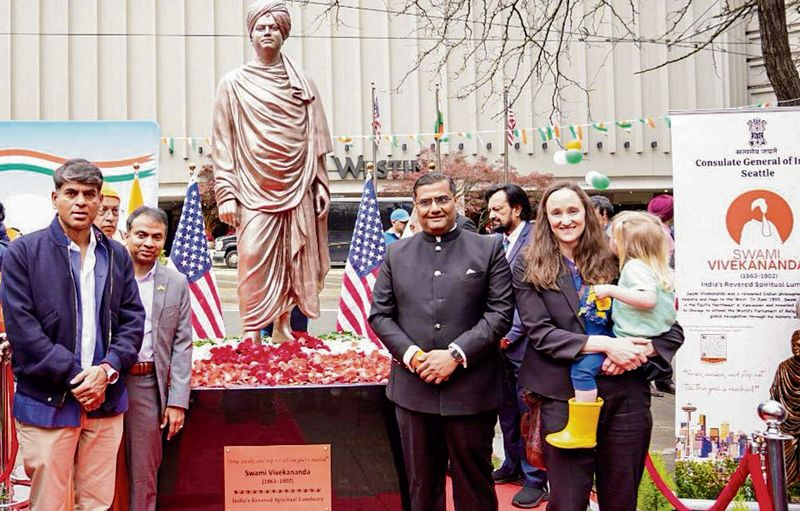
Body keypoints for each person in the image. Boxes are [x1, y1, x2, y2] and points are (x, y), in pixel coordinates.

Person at [514, 181, 683, 511]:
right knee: (568, 501)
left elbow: (670, 329)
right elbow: (540, 333)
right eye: (556, 213)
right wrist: (606, 345)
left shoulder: (618, 257)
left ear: (588, 214)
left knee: (621, 498)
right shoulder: (528, 264)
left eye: (573, 211)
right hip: (563, 398)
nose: (566, 220)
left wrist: (636, 353)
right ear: (545, 219)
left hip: (626, 395)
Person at [0, 158, 144, 510]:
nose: (81, 202)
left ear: (99, 200)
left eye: (90, 194)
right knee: (50, 504)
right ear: (55, 197)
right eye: (72, 193)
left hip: (104, 401)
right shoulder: (24, 253)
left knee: (96, 504)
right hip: (47, 400)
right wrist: (77, 377)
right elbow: (23, 329)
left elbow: (132, 320)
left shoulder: (117, 256)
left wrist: (106, 370)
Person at [369, 173, 514, 511]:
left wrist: (455, 354)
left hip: (471, 390)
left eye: (442, 199)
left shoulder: (488, 248)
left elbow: (500, 312)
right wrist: (414, 355)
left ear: (455, 201)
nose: (434, 208)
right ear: (415, 207)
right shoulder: (396, 254)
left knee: (474, 485)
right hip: (413, 389)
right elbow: (380, 315)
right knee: (421, 486)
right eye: (425, 202)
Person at [212, 0, 333, 342]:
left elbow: (315, 137)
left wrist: (320, 183)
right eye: (260, 28)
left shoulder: (303, 83)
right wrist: (226, 193)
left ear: (283, 34)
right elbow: (223, 143)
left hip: (299, 183)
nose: (267, 33)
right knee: (251, 258)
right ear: (250, 35)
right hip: (253, 187)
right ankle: (251, 331)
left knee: (291, 259)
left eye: (273, 28)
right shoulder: (233, 83)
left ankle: (282, 328)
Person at [546, 211, 677, 449]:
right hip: (620, 345)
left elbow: (655, 309)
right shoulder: (655, 268)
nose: (610, 242)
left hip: (628, 382)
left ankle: (581, 427)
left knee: (582, 369)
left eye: (614, 238)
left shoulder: (632, 268)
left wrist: (645, 349)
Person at [123, 206, 192, 510]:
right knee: (97, 470)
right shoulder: (106, 272)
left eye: (156, 237)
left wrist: (177, 401)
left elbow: (182, 344)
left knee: (144, 475)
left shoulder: (175, 282)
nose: (148, 243)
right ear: (127, 236)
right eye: (141, 235)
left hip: (146, 385)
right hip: (105, 383)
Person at [485, 184, 549, 508]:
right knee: (506, 412)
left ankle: (536, 479)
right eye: (491, 209)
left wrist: (509, 335)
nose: (492, 215)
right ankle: (511, 465)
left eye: (498, 209)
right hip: (499, 346)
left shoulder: (537, 239)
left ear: (517, 210)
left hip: (526, 346)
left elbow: (531, 297)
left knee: (530, 417)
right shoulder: (497, 242)